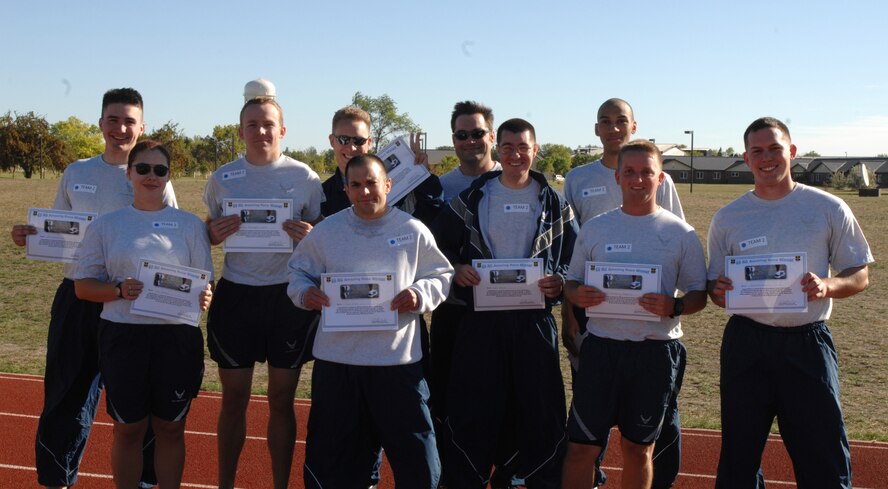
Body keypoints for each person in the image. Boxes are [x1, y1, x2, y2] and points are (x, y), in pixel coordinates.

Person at [9, 88, 175, 489]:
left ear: (142, 127)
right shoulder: (76, 172)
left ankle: (145, 480)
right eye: (114, 120)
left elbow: (169, 237)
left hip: (130, 301)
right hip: (78, 297)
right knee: (65, 396)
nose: (121, 128)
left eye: (129, 121)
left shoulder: (150, 174)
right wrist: (30, 236)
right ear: (101, 123)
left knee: (139, 402)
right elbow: (57, 230)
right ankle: (57, 479)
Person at [707, 117, 873, 488]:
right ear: (746, 158)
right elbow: (716, 288)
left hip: (807, 344)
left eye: (775, 148)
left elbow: (860, 275)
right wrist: (718, 293)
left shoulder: (828, 207)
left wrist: (827, 286)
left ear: (792, 152)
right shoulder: (728, 217)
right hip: (746, 344)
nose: (767, 158)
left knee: (823, 456)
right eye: (757, 151)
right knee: (739, 456)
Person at [288, 154, 453, 488]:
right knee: (336, 464)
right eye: (356, 185)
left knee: (419, 464)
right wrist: (306, 294)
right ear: (346, 190)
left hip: (397, 365)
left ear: (388, 185)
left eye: (372, 183)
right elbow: (297, 272)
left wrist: (420, 294)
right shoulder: (328, 231)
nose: (365, 191)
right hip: (338, 366)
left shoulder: (412, 230)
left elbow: (441, 275)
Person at [431, 118, 578, 488]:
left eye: (523, 147)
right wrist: (457, 268)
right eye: (508, 147)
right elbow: (434, 251)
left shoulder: (555, 202)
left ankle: (532, 478)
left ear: (535, 149)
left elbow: (577, 260)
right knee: (474, 410)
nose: (515, 154)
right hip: (481, 322)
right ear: (498, 149)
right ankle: (466, 478)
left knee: (539, 411)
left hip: (534, 324)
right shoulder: (471, 198)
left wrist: (559, 279)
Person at [560, 140, 707, 489]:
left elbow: (699, 294)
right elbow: (571, 282)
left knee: (638, 449)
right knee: (581, 447)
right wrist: (577, 293)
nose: (637, 179)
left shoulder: (680, 233)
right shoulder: (596, 228)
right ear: (617, 176)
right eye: (630, 172)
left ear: (661, 178)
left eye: (646, 172)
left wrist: (675, 306)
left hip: (654, 352)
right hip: (601, 349)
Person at [72, 140, 213, 488]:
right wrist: (118, 290)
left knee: (170, 427)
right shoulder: (107, 225)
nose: (152, 176)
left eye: (160, 170)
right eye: (144, 169)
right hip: (123, 335)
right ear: (129, 174)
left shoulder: (190, 225)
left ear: (168, 176)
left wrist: (207, 294)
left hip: (176, 337)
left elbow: (204, 282)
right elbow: (82, 286)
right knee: (129, 428)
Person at [203, 96, 325, 489]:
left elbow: (323, 233)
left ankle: (280, 484)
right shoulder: (223, 177)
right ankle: (225, 483)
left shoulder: (304, 176)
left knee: (281, 399)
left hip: (286, 298)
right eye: (252, 124)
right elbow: (208, 227)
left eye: (268, 123)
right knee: (234, 399)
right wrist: (212, 232)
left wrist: (312, 236)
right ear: (241, 131)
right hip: (237, 296)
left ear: (282, 130)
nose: (260, 131)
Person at [321, 106, 443, 225]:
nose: (352, 147)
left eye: (359, 141)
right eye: (344, 139)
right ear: (332, 141)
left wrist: (424, 176)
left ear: (369, 142)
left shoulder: (398, 179)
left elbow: (432, 218)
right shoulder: (322, 194)